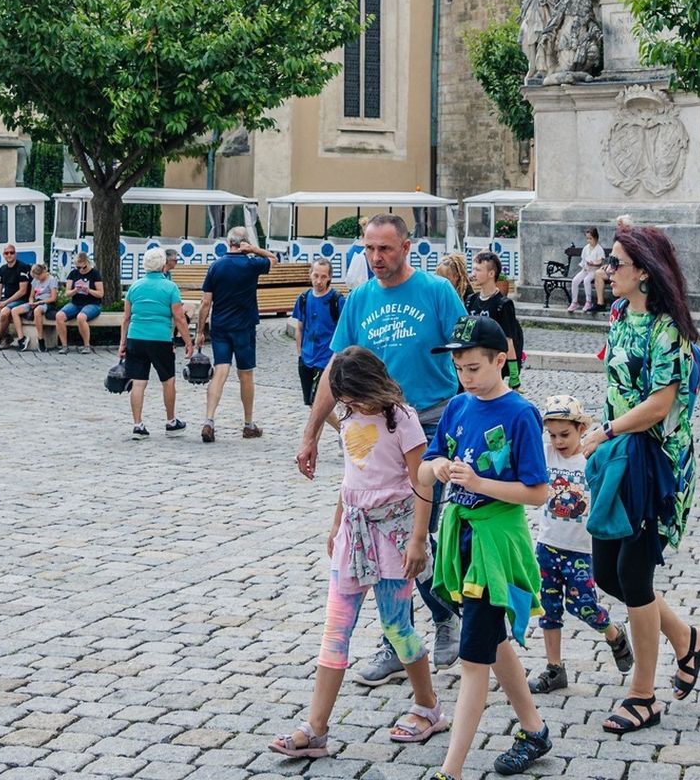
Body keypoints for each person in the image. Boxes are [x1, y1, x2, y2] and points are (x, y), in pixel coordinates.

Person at [297, 213, 470, 682]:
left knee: (418, 531)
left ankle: (442, 616)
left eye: (385, 249)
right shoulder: (360, 301)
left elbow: (468, 352)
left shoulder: (436, 292)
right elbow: (337, 368)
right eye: (369, 249)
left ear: (407, 248)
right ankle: (398, 638)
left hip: (430, 422)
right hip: (375, 426)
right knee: (380, 539)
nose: (376, 258)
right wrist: (312, 431)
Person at [268, 346, 445, 759]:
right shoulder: (348, 416)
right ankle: (315, 729)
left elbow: (423, 483)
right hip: (354, 532)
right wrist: (336, 523)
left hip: (394, 537)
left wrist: (419, 539)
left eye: (354, 397)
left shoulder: (403, 419)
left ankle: (428, 706)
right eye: (344, 399)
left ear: (374, 384)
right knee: (335, 630)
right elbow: (353, 473)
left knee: (398, 628)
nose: (349, 405)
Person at [577, 225, 700, 737]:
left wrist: (607, 428)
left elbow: (659, 405)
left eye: (615, 263)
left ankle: (642, 695)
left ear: (644, 273)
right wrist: (599, 429)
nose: (606, 271)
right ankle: (688, 639)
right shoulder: (617, 315)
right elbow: (617, 384)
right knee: (608, 573)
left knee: (634, 575)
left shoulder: (665, 331)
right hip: (616, 459)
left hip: (655, 467)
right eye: (608, 262)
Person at [421, 316, 555, 779]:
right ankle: (534, 729)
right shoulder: (457, 406)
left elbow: (538, 492)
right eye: (460, 367)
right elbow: (425, 466)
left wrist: (480, 483)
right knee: (491, 641)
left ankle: (451, 771)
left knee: (473, 660)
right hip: (458, 543)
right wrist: (437, 468)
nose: (466, 377)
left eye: (474, 367)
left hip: (493, 550)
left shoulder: (521, 413)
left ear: (502, 360)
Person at [526, 394, 632, 695]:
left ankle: (614, 635)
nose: (558, 441)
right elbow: (526, 428)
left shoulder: (589, 456)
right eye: (553, 434)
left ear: (581, 429)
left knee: (584, 605)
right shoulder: (545, 453)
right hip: (548, 545)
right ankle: (554, 669)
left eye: (565, 434)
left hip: (582, 549)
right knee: (549, 609)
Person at [196, 226, 274, 441]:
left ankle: (209, 420)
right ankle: (248, 424)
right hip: (244, 325)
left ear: (227, 242)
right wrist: (255, 249)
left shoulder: (216, 266)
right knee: (246, 374)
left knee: (220, 371)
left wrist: (200, 331)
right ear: (244, 243)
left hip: (220, 325)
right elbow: (273, 259)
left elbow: (205, 303)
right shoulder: (251, 264)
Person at [118, 247, 190, 438]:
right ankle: (171, 421)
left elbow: (126, 318)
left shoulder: (134, 287)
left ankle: (138, 424)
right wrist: (188, 342)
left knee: (138, 382)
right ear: (162, 264)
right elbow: (179, 317)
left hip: (136, 337)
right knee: (168, 380)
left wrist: (122, 343)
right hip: (160, 339)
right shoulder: (169, 287)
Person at [287, 258, 345, 406]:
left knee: (318, 403)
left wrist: (336, 358)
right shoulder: (304, 298)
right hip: (306, 358)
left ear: (330, 277)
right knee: (312, 404)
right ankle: (340, 429)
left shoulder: (336, 300)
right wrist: (300, 354)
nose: (319, 281)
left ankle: (340, 429)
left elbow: (343, 331)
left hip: (326, 360)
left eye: (323, 277)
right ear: (310, 274)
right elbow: (299, 328)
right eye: (316, 276)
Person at [464, 251, 525, 388]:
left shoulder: (503, 304)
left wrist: (514, 373)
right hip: (473, 360)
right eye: (473, 269)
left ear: (491, 274)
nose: (474, 274)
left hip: (493, 363)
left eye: (478, 270)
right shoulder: (470, 301)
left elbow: (509, 339)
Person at [0, 244, 32, 349]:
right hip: (6, 300)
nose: (9, 255)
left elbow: (23, 291)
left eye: (11, 252)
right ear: (3, 255)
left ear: (15, 254)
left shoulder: (22, 267)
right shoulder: (2, 269)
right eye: (6, 253)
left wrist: (5, 303)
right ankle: (6, 337)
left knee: (4, 312)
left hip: (20, 300)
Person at [52, 257, 106, 352]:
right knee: (59, 316)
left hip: (92, 303)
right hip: (76, 303)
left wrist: (88, 290)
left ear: (88, 264)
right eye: (78, 267)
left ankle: (87, 345)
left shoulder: (95, 274)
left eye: (83, 267)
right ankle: (64, 346)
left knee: (81, 317)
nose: (81, 270)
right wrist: (76, 290)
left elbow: (100, 294)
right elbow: (67, 293)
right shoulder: (73, 274)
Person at [18, 263, 59, 351]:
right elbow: (31, 296)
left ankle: (40, 339)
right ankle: (21, 339)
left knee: (37, 311)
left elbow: (53, 298)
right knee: (14, 311)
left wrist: (40, 302)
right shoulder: (35, 281)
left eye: (38, 277)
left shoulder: (51, 280)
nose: (37, 280)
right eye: (35, 278)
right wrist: (31, 302)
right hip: (36, 302)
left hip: (46, 302)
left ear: (43, 273)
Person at [568, 228, 608, 313]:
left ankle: (588, 301)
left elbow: (600, 261)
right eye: (587, 238)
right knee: (575, 280)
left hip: (594, 270)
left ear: (596, 238)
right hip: (585, 270)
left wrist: (593, 263)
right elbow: (583, 259)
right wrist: (582, 264)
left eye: (590, 238)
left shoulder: (599, 249)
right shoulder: (586, 248)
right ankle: (574, 302)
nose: (588, 241)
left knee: (586, 280)